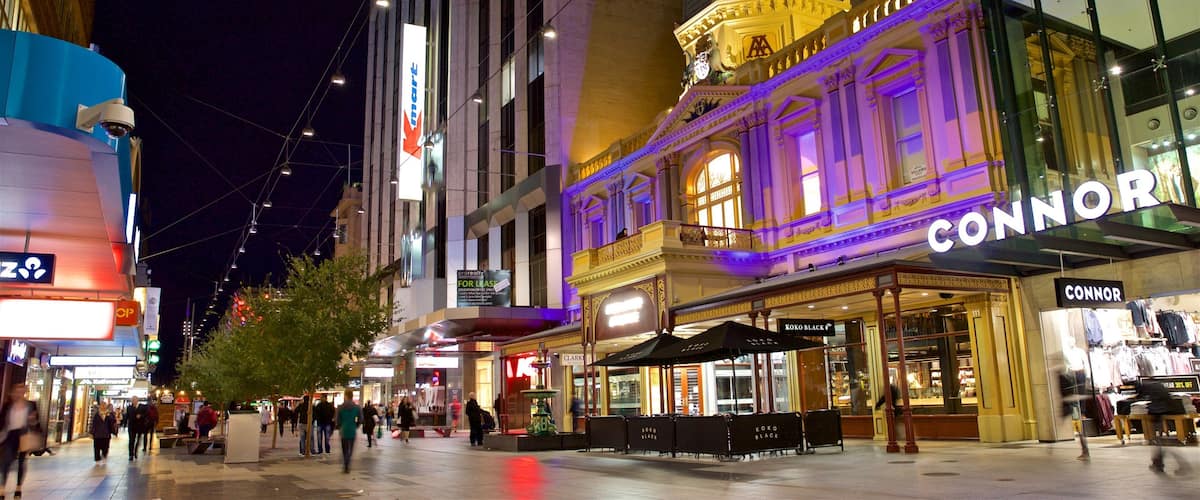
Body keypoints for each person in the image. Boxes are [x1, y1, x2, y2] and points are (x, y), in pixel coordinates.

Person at [1139, 381, 1192, 475]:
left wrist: (1151, 412)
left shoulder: (1146, 388)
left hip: (1158, 413)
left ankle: (1177, 465)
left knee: (1162, 443)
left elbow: (1154, 403)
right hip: (1165, 411)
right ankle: (1158, 464)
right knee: (1160, 442)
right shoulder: (1157, 386)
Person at [0, 383, 39, 499]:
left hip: (23, 435)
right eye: (18, 390)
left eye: (22, 391)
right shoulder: (8, 405)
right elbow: (1, 421)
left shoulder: (31, 405)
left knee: (22, 463)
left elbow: (36, 423)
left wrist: (33, 420)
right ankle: (2, 488)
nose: (19, 393)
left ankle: (18, 487)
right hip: (10, 435)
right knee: (5, 462)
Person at [335, 390, 361, 474]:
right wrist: (356, 425)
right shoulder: (357, 407)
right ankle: (347, 463)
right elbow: (361, 419)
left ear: (346, 396)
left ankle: (346, 465)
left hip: (343, 430)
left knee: (345, 449)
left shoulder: (340, 407)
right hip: (352, 430)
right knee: (350, 449)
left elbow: (338, 421)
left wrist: (339, 427)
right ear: (352, 396)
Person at [125, 396, 148, 460]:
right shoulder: (129, 408)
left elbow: (146, 414)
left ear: (137, 400)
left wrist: (141, 416)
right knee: (131, 440)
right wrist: (124, 425)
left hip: (139, 426)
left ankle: (135, 451)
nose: (133, 401)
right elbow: (127, 416)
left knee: (138, 440)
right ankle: (131, 454)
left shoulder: (142, 407)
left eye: (134, 400)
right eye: (132, 400)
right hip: (131, 427)